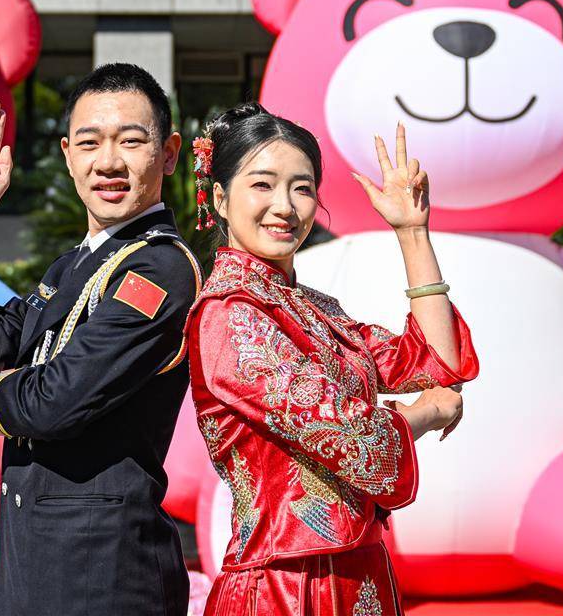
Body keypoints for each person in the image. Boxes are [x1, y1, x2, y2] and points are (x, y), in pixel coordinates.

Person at [0, 63, 201, 615]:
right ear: (68, 155)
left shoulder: (160, 268)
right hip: (37, 560)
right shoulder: (73, 264)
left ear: (169, 154)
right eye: (90, 142)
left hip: (104, 573)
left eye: (131, 141)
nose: (109, 162)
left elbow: (58, 401)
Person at [186, 103, 479, 616]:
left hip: (360, 572)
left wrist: (412, 233)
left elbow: (434, 361)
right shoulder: (227, 313)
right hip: (283, 584)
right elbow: (342, 431)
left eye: (301, 188)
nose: (284, 206)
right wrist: (428, 411)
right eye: (262, 185)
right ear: (220, 198)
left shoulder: (318, 310)